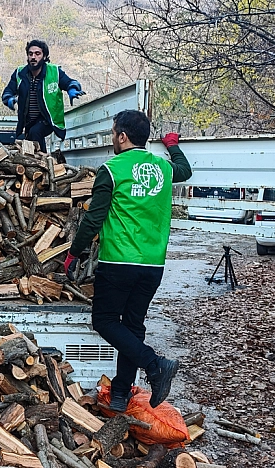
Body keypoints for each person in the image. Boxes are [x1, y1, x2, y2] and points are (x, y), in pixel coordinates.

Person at [64, 110, 192, 412]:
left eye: (112, 133)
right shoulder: (163, 167)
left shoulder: (112, 170)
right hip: (153, 264)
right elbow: (185, 170)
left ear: (122, 136)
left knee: (105, 321)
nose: (112, 138)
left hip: (119, 261)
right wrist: (172, 145)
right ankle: (121, 393)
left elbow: (93, 218)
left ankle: (155, 364)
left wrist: (74, 253)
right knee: (133, 326)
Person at [1, 39, 84, 152]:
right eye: (30, 54)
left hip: (47, 119)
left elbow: (70, 82)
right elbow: (8, 91)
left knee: (36, 132)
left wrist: (72, 89)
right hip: (28, 120)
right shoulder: (20, 73)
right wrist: (10, 100)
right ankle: (43, 159)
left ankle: (41, 159)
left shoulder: (54, 71)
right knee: (29, 142)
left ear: (44, 56)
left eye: (37, 53)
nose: (33, 57)